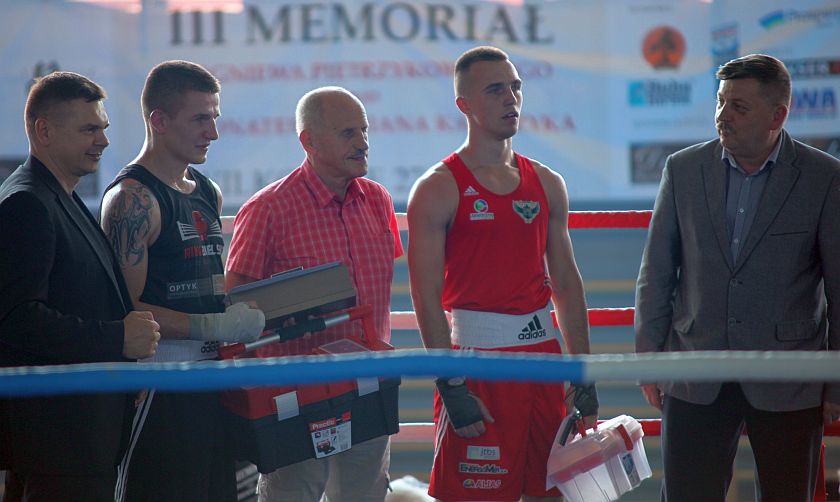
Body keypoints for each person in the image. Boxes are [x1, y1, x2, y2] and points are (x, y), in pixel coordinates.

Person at [635, 53, 840, 501]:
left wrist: (836, 378)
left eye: (739, 107)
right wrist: (648, 358)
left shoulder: (824, 177)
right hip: (694, 367)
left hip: (790, 374)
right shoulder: (683, 169)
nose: (723, 117)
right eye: (721, 102)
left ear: (778, 114)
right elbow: (656, 270)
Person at [407, 46, 598, 502]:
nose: (511, 98)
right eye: (496, 89)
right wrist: (449, 382)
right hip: (477, 366)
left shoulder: (548, 182)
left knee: (556, 494)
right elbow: (425, 296)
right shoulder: (438, 187)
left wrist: (583, 372)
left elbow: (567, 284)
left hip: (545, 363)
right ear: (464, 105)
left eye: (515, 87)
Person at [226, 86, 403, 502]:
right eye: (347, 133)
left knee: (366, 495)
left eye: (364, 130)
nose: (362, 143)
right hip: (294, 397)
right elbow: (235, 305)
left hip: (367, 385)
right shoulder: (267, 208)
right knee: (291, 494)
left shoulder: (378, 200)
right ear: (308, 141)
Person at [100, 60, 265, 502]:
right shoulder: (132, 201)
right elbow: (123, 310)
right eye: (200, 118)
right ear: (159, 119)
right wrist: (208, 327)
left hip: (214, 377)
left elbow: (205, 280)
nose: (212, 131)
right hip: (159, 380)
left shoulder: (206, 190)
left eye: (215, 117)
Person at [0, 71, 160, 501]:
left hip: (81, 438)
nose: (103, 140)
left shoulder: (59, 194)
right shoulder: (26, 204)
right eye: (89, 129)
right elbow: (16, 322)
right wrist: (118, 339)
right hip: (58, 443)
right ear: (45, 131)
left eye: (103, 128)